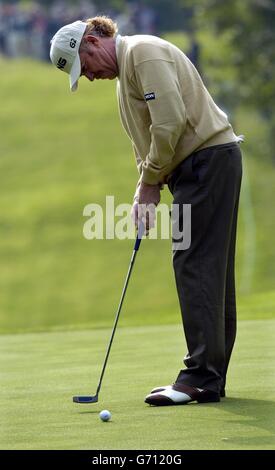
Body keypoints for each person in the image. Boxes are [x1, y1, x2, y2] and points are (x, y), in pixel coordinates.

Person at [50, 16, 243, 406]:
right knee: (208, 265)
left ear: (91, 40)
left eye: (84, 66)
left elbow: (169, 123)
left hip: (206, 162)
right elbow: (153, 136)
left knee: (195, 262)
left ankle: (201, 376)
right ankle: (209, 378)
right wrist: (147, 184)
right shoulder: (127, 73)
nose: (87, 77)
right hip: (200, 167)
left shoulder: (143, 53)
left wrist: (151, 180)